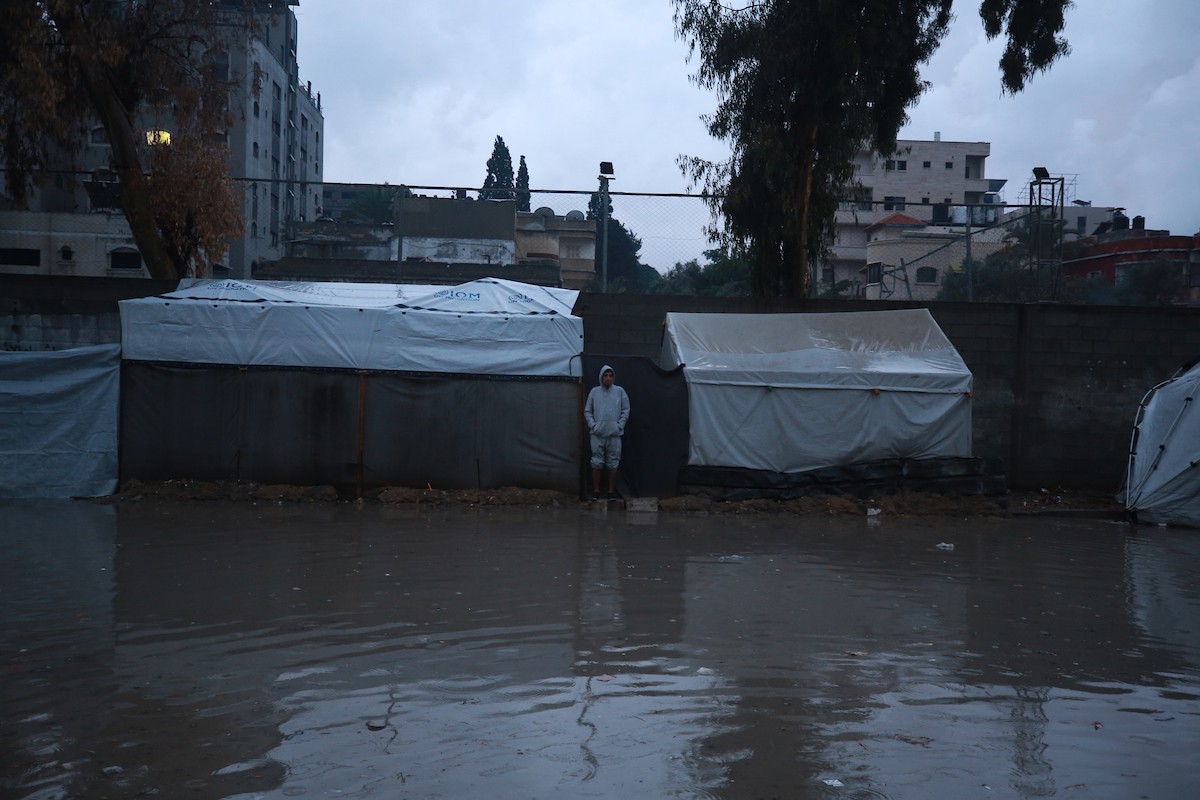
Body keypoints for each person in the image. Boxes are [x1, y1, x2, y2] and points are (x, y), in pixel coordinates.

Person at [584, 364, 630, 501]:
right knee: (596, 463)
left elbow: (626, 410)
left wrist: (619, 426)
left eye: (610, 376)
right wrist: (593, 425)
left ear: (613, 377)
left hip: (614, 434)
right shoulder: (594, 392)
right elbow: (587, 411)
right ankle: (596, 491)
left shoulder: (620, 391)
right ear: (601, 377)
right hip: (597, 434)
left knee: (613, 463)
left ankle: (610, 492)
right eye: (606, 375)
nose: (608, 378)